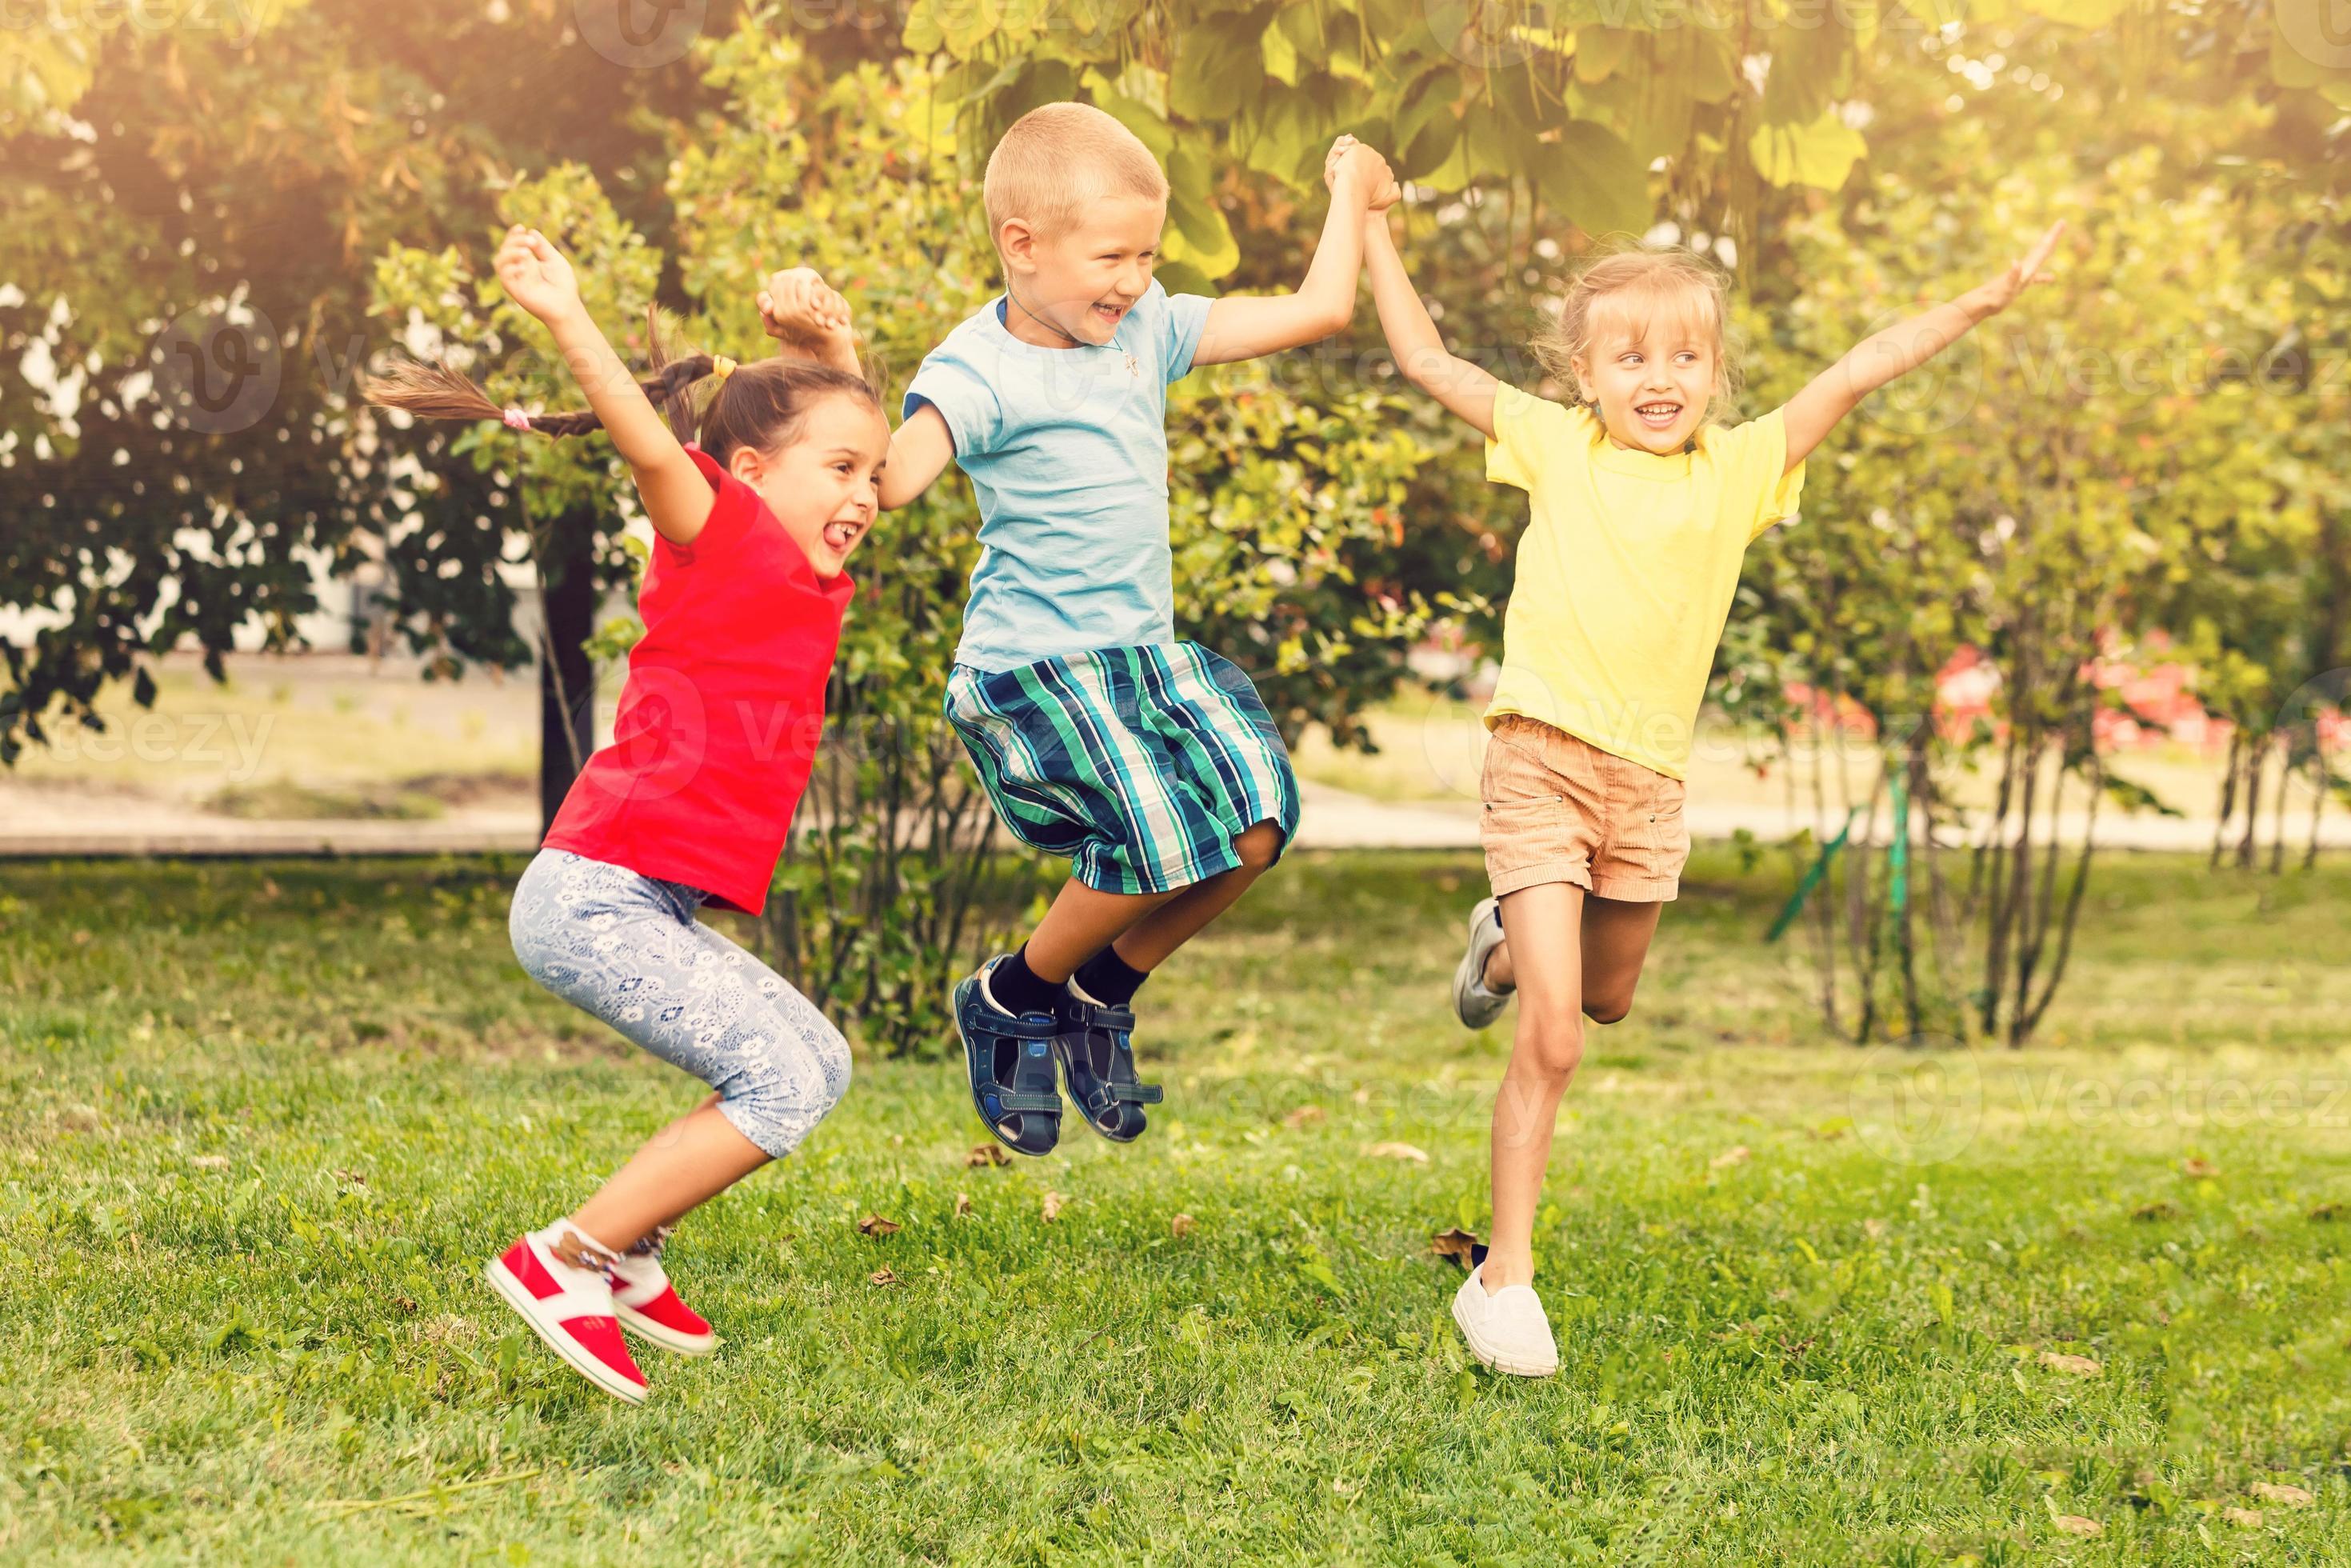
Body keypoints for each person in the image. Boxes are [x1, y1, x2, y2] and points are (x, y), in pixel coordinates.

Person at [1360, 201, 2066, 1377]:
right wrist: (1374, 220)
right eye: (1630, 356)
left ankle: (1496, 950)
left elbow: (1862, 367)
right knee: (1554, 1040)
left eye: (1686, 356)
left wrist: (1983, 301)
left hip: (1647, 784)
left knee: (1606, 996)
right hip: (1539, 756)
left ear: (1717, 374)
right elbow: (1426, 356)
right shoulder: (1553, 444)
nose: (1660, 377)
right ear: (1583, 375)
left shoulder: (1740, 469)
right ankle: (1504, 1282)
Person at [761, 106, 1398, 1158]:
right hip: (1033, 673)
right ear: (1023, 245)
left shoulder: (1148, 330)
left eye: (1147, 255)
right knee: (1153, 843)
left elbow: (1322, 308)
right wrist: (834, 357)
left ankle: (1100, 987)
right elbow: (896, 479)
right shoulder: (978, 368)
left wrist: (1350, 188)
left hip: (1142, 665)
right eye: (1112, 257)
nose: (1134, 280)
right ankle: (1012, 1000)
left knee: (1256, 828)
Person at [366, 223, 887, 1403]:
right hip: (596, 896)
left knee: (820, 1060)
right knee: (778, 1086)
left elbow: (867, 460)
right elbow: (644, 433)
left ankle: (635, 1251)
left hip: (641, 899)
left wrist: (833, 347)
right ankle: (568, 1258)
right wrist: (565, 315)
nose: (869, 492)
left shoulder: (811, 568)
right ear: (749, 472)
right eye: (842, 469)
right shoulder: (720, 528)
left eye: (871, 471)